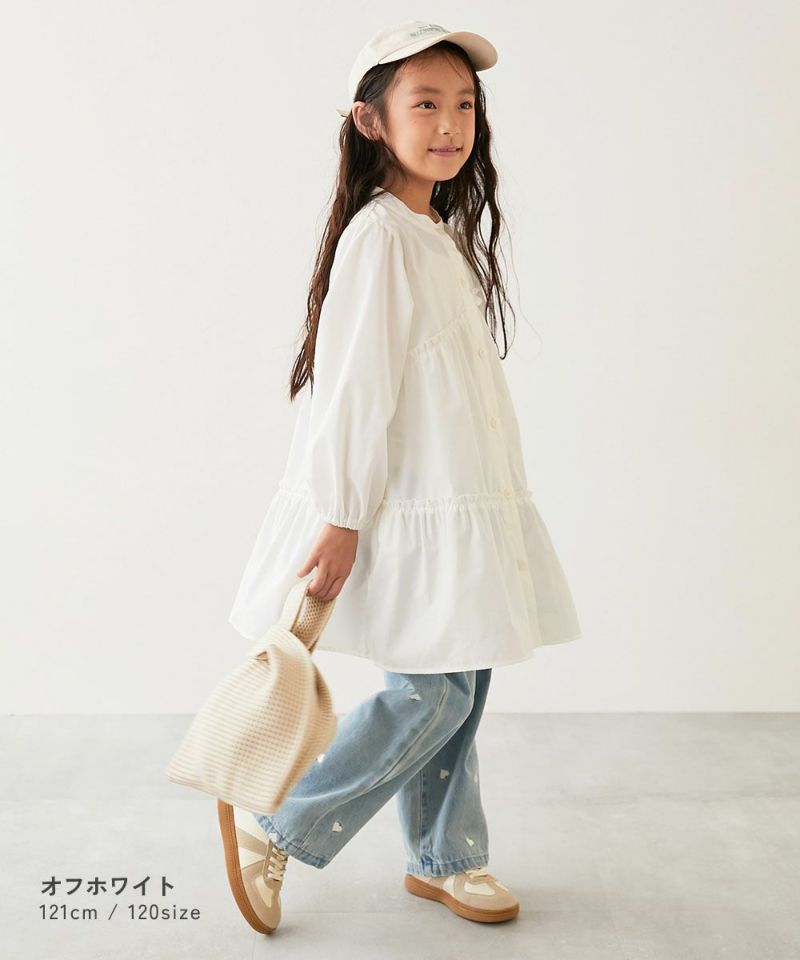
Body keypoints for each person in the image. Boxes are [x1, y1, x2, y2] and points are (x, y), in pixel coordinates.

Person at [221, 20, 582, 935]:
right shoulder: (379, 237)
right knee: (434, 693)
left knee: (466, 686)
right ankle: (280, 822)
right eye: (425, 103)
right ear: (370, 120)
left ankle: (444, 856)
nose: (451, 124)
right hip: (407, 512)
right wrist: (340, 515)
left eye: (464, 104)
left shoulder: (430, 232)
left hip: (460, 508)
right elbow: (354, 389)